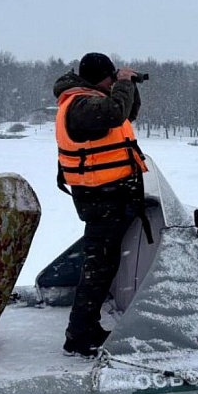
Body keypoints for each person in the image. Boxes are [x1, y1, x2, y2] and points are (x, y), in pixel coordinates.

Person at [53, 52, 151, 357]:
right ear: (102, 78)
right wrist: (121, 83)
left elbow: (124, 116)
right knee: (97, 267)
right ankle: (80, 335)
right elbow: (112, 114)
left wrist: (130, 86)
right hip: (102, 199)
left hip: (110, 196)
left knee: (102, 264)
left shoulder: (91, 100)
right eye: (111, 78)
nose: (114, 83)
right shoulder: (81, 104)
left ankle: (85, 329)